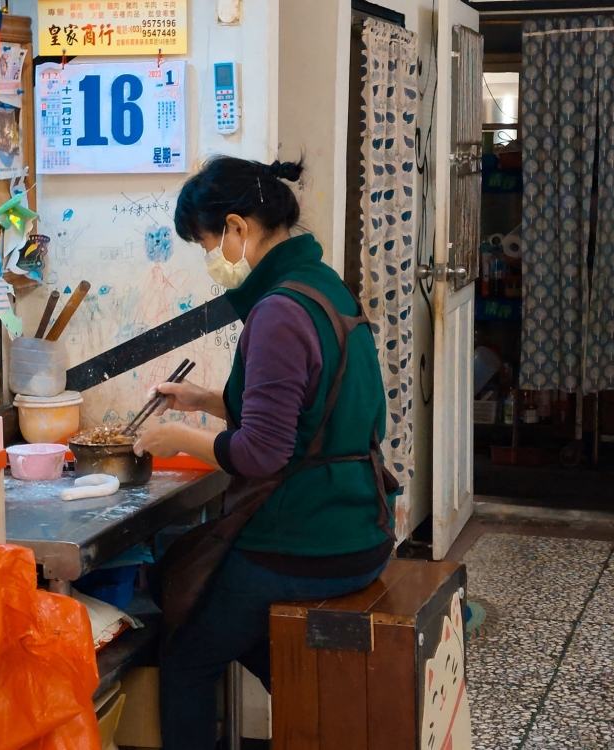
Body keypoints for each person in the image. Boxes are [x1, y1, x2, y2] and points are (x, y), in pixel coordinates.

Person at [133, 156, 396, 750]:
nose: (210, 260)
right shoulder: (320, 285)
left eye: (206, 244)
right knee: (231, 624)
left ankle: (322, 711)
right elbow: (311, 415)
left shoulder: (277, 310)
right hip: (361, 522)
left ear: (236, 228)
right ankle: (324, 712)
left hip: (308, 540)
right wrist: (203, 399)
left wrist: (177, 439)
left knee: (187, 650)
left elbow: (262, 454)